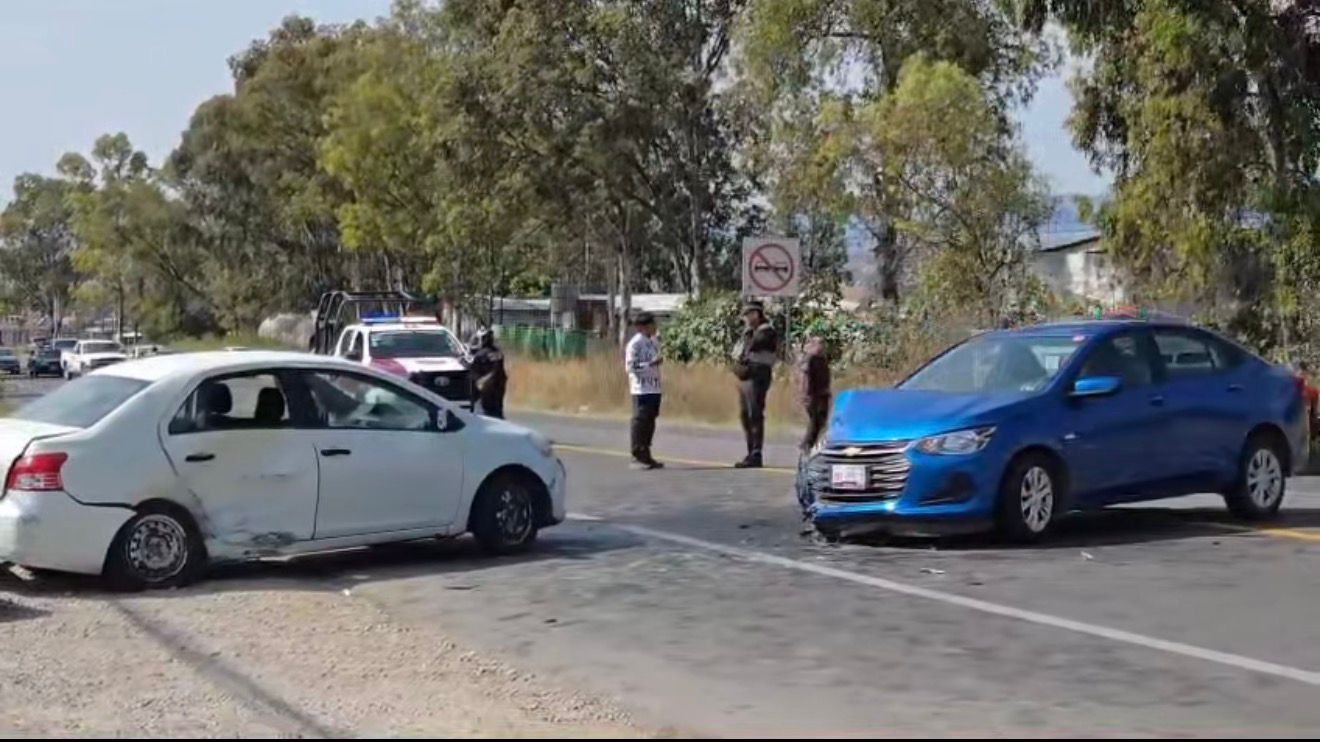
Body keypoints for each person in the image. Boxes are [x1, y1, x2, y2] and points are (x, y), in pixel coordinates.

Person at [732, 300, 779, 468]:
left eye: (749, 314)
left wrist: (747, 337)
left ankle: (756, 453)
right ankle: (751, 451)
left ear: (757, 314)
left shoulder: (767, 331)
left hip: (758, 375)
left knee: (755, 413)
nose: (746, 318)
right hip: (746, 375)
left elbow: (752, 345)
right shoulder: (749, 332)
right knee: (745, 414)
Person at [625, 312, 664, 470]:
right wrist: (651, 364)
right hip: (641, 389)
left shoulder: (653, 341)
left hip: (654, 387)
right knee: (640, 421)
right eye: (651, 324)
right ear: (642, 327)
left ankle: (646, 454)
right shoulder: (635, 344)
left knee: (650, 422)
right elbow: (630, 367)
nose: (654, 327)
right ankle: (637, 455)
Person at [799, 335, 831, 454]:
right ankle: (807, 444)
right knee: (815, 420)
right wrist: (807, 395)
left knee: (821, 421)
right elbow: (806, 379)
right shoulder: (811, 359)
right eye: (819, 343)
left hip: (822, 394)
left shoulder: (822, 359)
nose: (821, 346)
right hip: (813, 395)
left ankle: (812, 444)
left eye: (822, 343)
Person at [469, 328, 507, 419]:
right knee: (497, 408)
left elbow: (474, 374)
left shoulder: (480, 355)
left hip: (486, 387)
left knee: (485, 411)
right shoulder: (498, 352)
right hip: (499, 385)